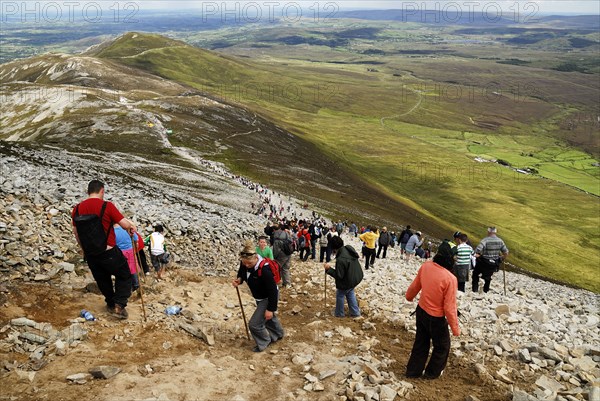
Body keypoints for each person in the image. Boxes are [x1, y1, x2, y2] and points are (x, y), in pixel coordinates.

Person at [71, 180, 136, 319]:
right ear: (102, 191)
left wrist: (84, 250)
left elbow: (76, 233)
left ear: (88, 191)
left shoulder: (77, 209)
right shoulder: (107, 206)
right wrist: (132, 227)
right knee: (124, 274)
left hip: (91, 254)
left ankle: (111, 304)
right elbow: (124, 224)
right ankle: (119, 306)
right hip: (109, 251)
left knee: (103, 280)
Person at [405, 240, 460, 379]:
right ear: (450, 259)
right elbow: (449, 307)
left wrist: (409, 297)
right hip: (436, 318)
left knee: (421, 342)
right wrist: (455, 329)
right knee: (442, 346)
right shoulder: (451, 279)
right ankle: (431, 373)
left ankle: (413, 372)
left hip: (421, 310)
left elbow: (415, 286)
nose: (456, 259)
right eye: (454, 257)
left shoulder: (426, 266)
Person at [232, 242, 284, 352]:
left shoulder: (264, 270)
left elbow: (273, 291)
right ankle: (278, 334)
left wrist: (270, 309)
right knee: (268, 318)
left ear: (256, 258)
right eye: (244, 263)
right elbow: (242, 273)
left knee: (254, 324)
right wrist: (239, 280)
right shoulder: (245, 263)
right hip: (259, 297)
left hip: (267, 298)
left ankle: (264, 341)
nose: (246, 265)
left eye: (249, 263)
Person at [324, 236, 363, 317]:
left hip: (348, 280)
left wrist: (329, 269)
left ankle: (339, 313)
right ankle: (355, 313)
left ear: (334, 248)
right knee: (350, 292)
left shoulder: (341, 259)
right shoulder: (348, 248)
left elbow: (339, 276)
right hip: (356, 277)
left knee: (340, 294)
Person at [472, 227, 509, 293]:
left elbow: (478, 250)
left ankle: (475, 290)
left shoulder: (485, 240)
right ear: (495, 232)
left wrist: (478, 255)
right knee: (488, 276)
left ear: (488, 232)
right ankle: (486, 290)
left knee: (475, 273)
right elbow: (506, 252)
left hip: (484, 261)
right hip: (494, 263)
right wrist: (501, 259)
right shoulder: (500, 241)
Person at [114, 224, 140, 291]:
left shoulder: (112, 231)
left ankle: (125, 287)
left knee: (122, 270)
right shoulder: (126, 228)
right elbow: (136, 238)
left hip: (119, 252)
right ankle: (136, 285)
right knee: (132, 268)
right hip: (130, 250)